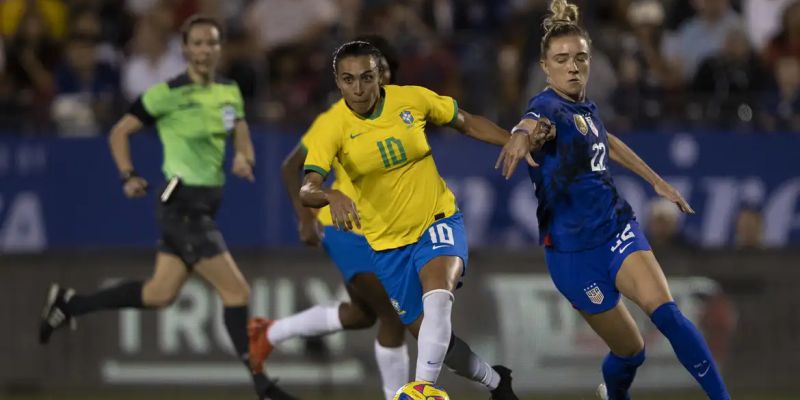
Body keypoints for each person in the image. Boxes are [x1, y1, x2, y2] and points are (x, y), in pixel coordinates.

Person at [37, 15, 296, 400]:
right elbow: (119, 131)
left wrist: (244, 156)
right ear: (186, 49)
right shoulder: (167, 93)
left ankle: (70, 304)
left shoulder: (228, 91)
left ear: (219, 48)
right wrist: (128, 174)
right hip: (181, 206)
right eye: (198, 43)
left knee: (159, 294)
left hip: (205, 207)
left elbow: (238, 126)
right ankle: (261, 384)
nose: (205, 50)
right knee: (237, 292)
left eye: (212, 43)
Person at [495, 1, 732, 399]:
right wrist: (521, 134)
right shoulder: (547, 105)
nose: (573, 66)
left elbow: (605, 139)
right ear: (544, 66)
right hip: (574, 256)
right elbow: (534, 123)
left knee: (668, 314)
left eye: (580, 58)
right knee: (631, 352)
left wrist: (656, 180)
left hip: (617, 229)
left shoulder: (584, 107)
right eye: (562, 59)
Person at [292, 40, 543, 398]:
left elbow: (466, 122)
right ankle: (496, 381)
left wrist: (517, 141)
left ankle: (422, 390)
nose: (359, 88)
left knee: (438, 294)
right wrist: (330, 194)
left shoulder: (411, 99)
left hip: (436, 219)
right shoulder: (333, 128)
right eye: (349, 80)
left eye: (366, 77)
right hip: (387, 246)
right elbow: (307, 188)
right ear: (338, 82)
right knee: (438, 342)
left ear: (381, 75)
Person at [249, 35, 409, 400]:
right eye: (366, 72)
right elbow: (292, 167)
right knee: (393, 315)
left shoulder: (402, 114)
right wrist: (306, 218)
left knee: (362, 314)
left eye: (378, 72)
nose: (371, 80)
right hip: (344, 228)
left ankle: (269, 333)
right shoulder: (336, 118)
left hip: (382, 232)